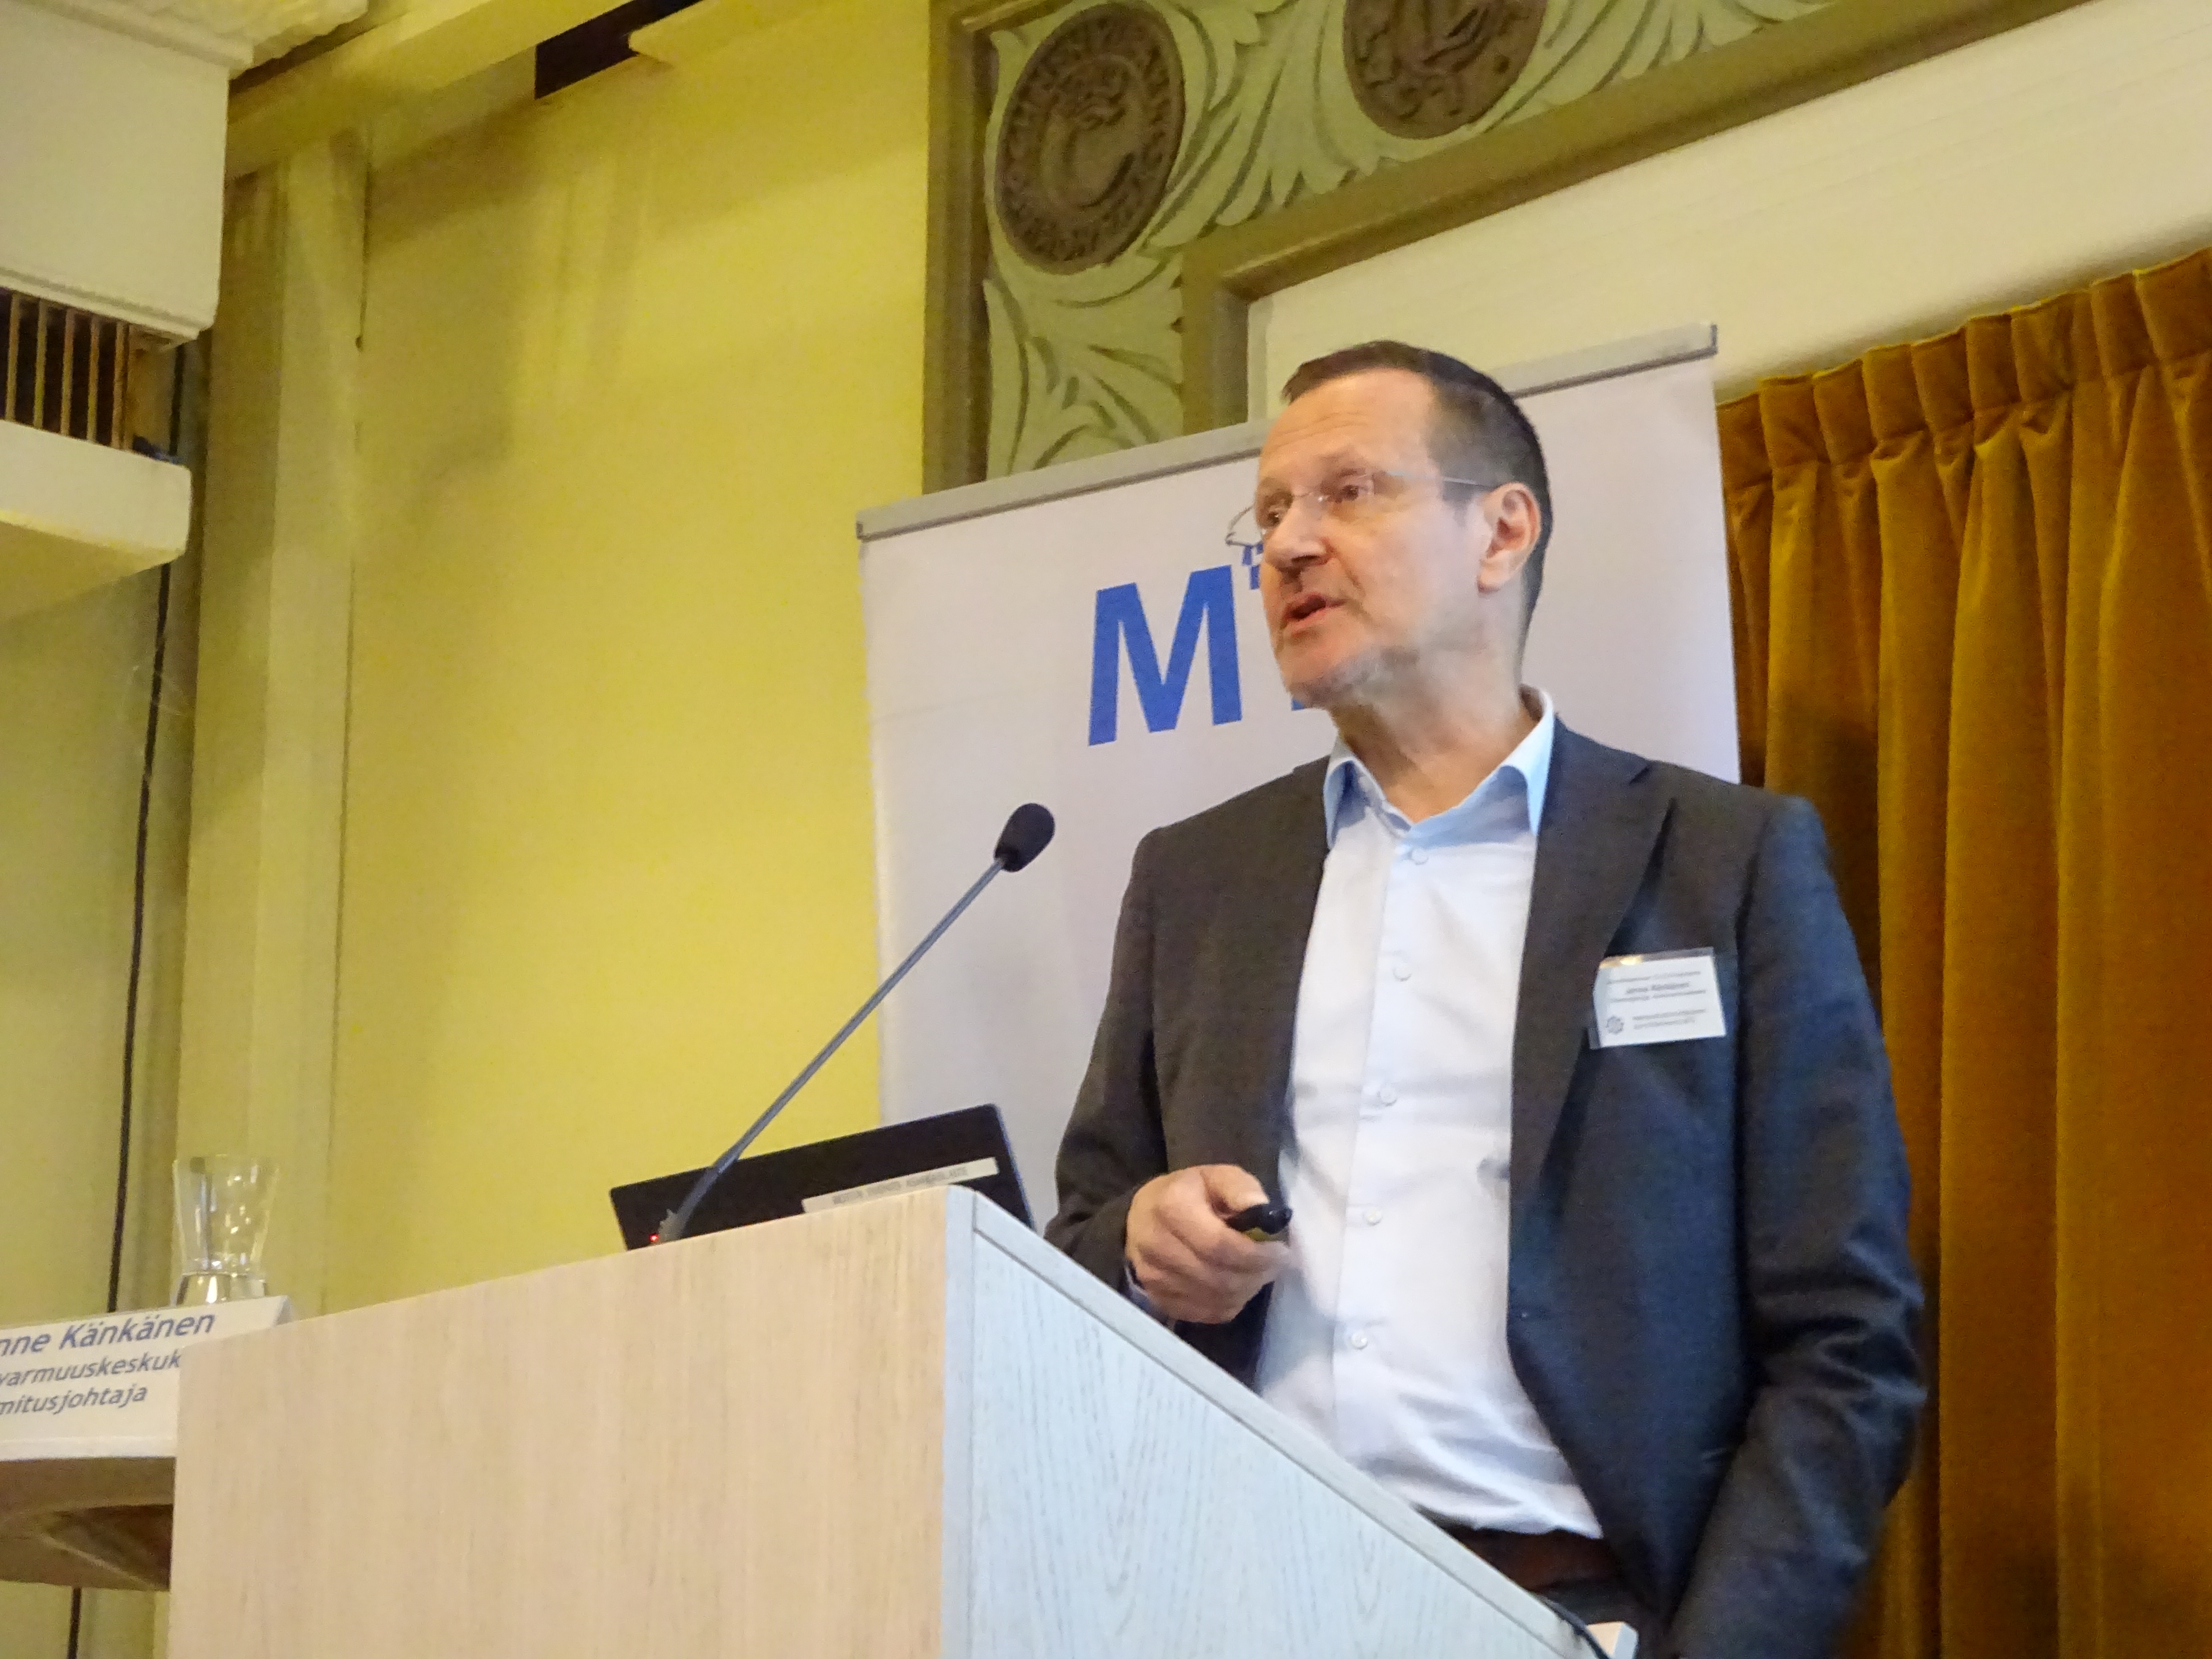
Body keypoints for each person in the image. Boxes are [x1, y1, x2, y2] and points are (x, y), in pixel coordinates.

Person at [1046, 341, 1924, 1659]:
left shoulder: (1722, 864)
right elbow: (1079, 1242)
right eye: (1270, 513)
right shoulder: (1198, 881)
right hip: (1232, 1603)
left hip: (1571, 1610)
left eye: (1349, 493)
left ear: (1501, 533)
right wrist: (1141, 1244)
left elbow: (1846, 1339)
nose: (1289, 546)